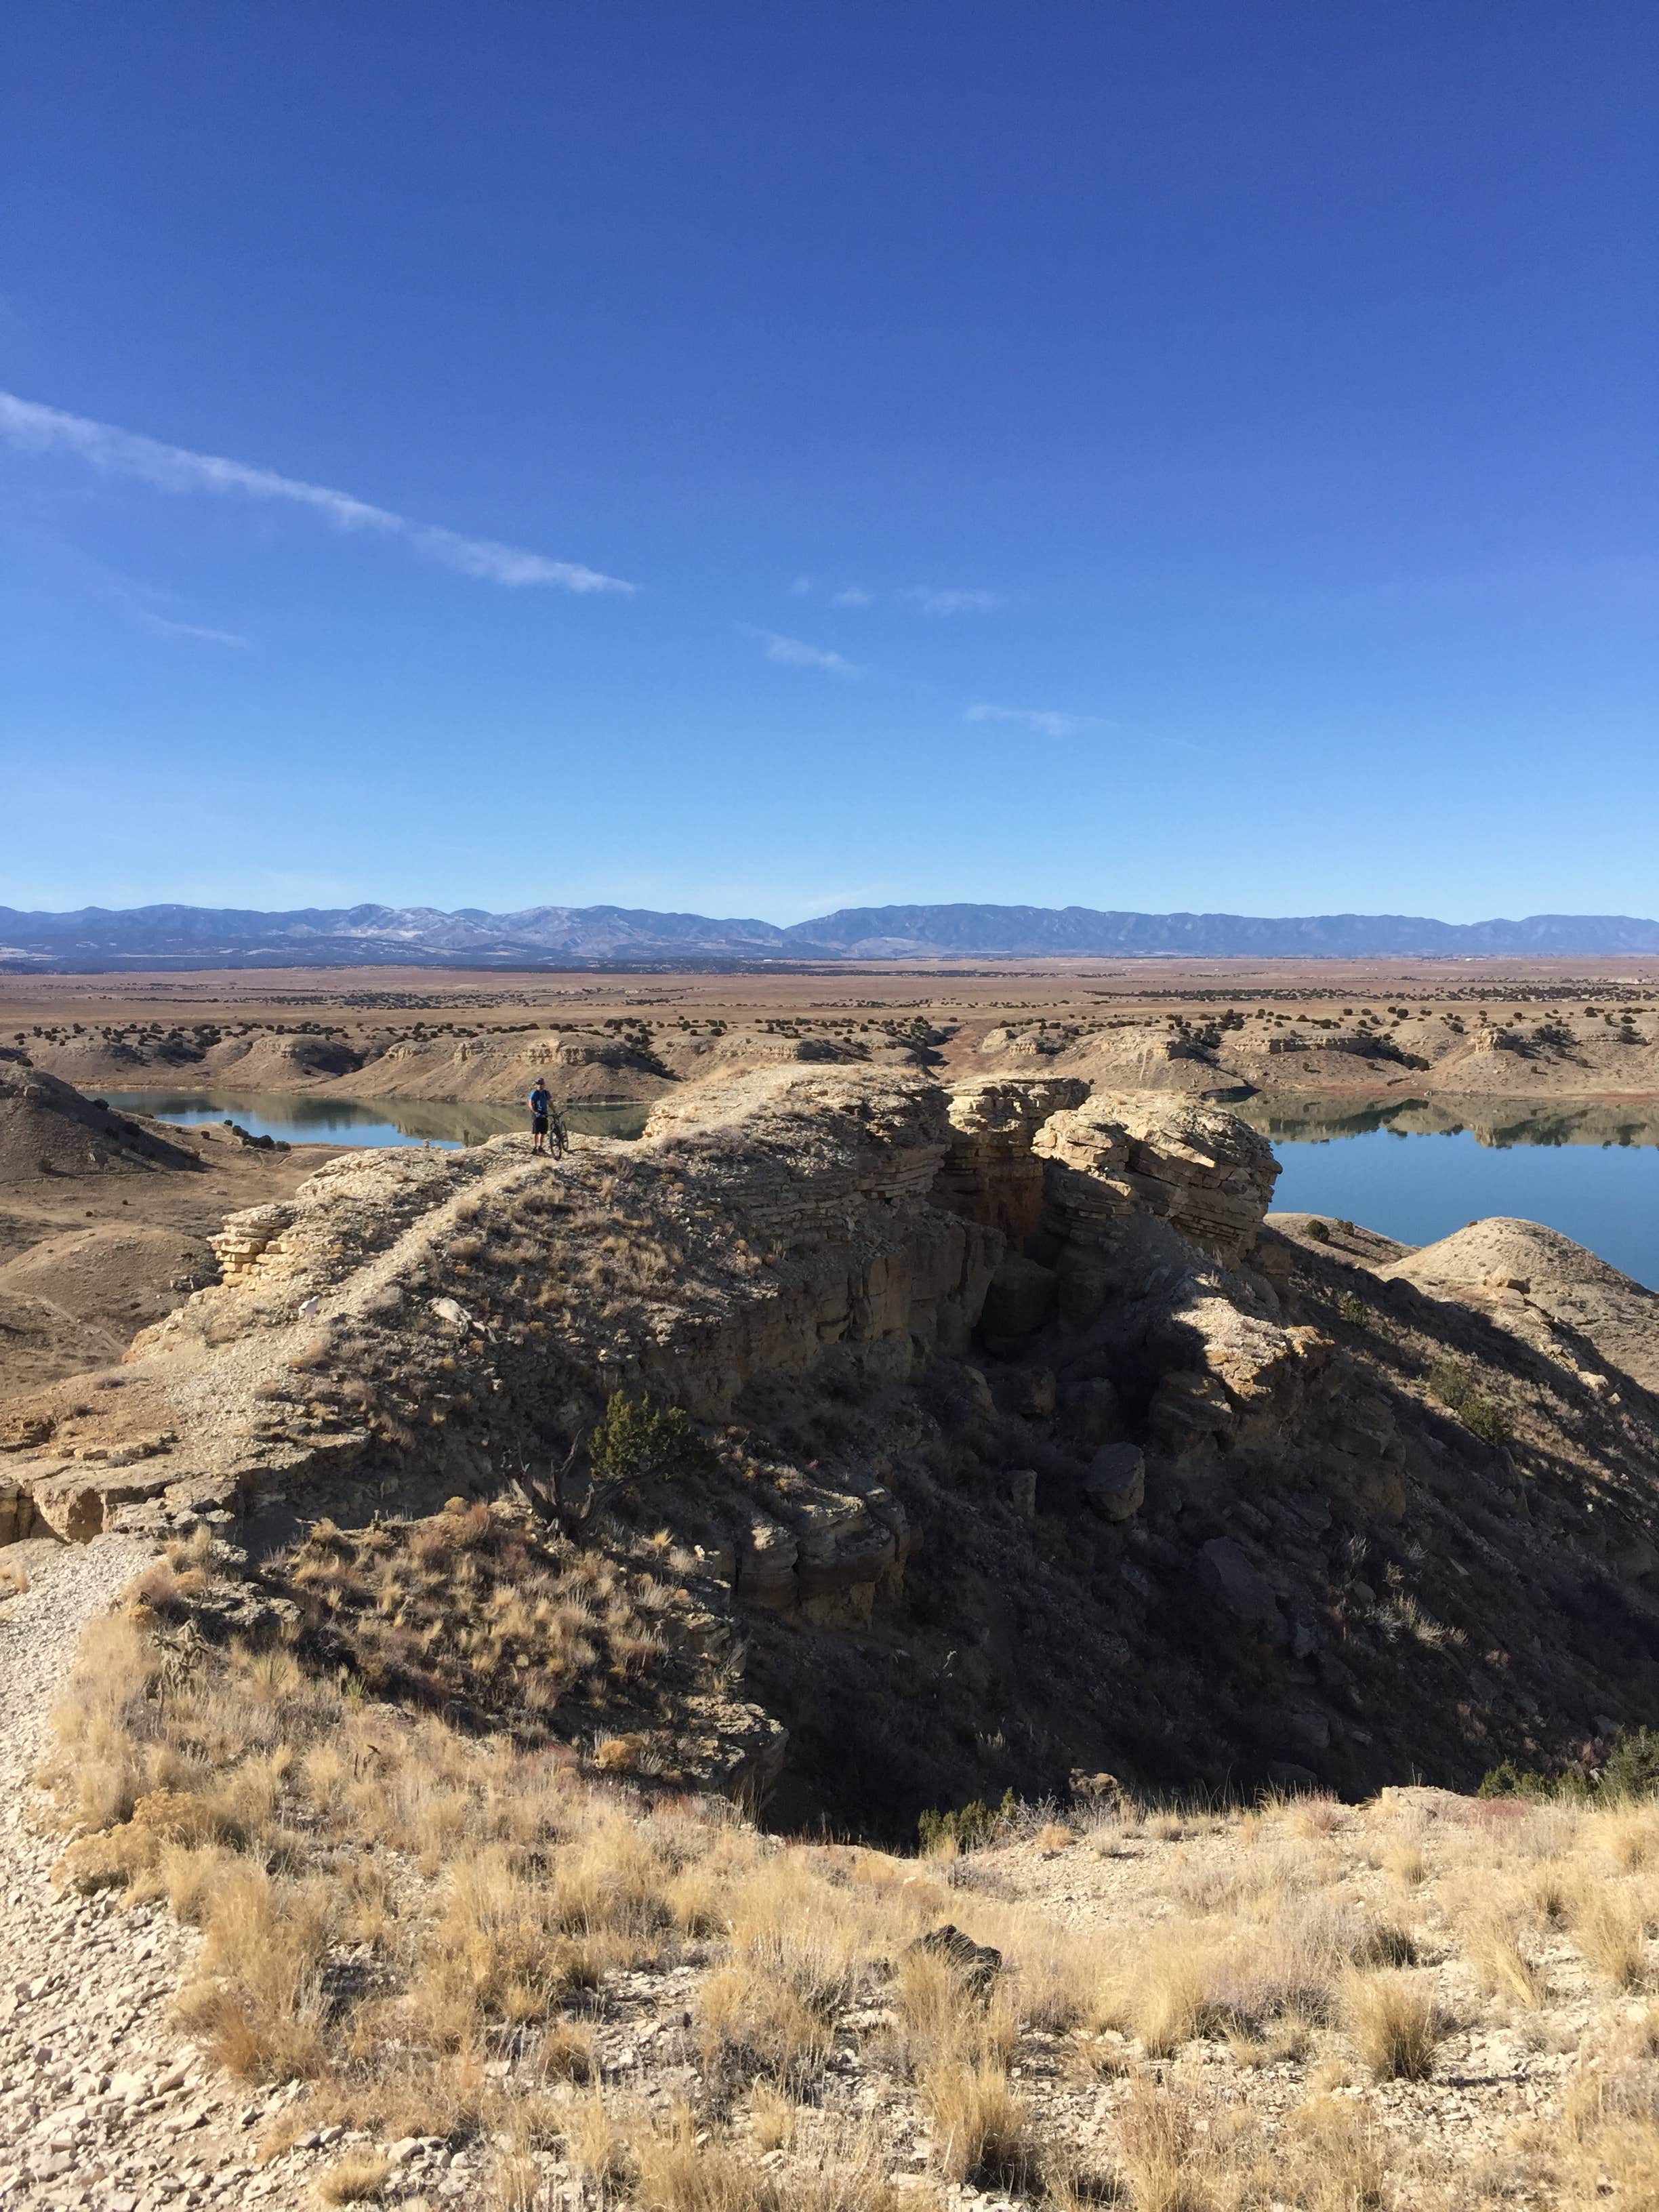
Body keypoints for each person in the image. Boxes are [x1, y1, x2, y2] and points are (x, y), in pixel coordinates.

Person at [528, 1076, 552, 1153]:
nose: (540, 1085)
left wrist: (554, 1111)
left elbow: (550, 1103)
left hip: (544, 1113)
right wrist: (535, 1112)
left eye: (541, 1084)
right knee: (536, 1132)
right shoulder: (535, 1093)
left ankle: (540, 1147)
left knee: (543, 1132)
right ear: (536, 1085)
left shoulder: (546, 1093)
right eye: (538, 1084)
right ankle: (535, 1147)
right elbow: (530, 1104)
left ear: (544, 1084)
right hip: (536, 1114)